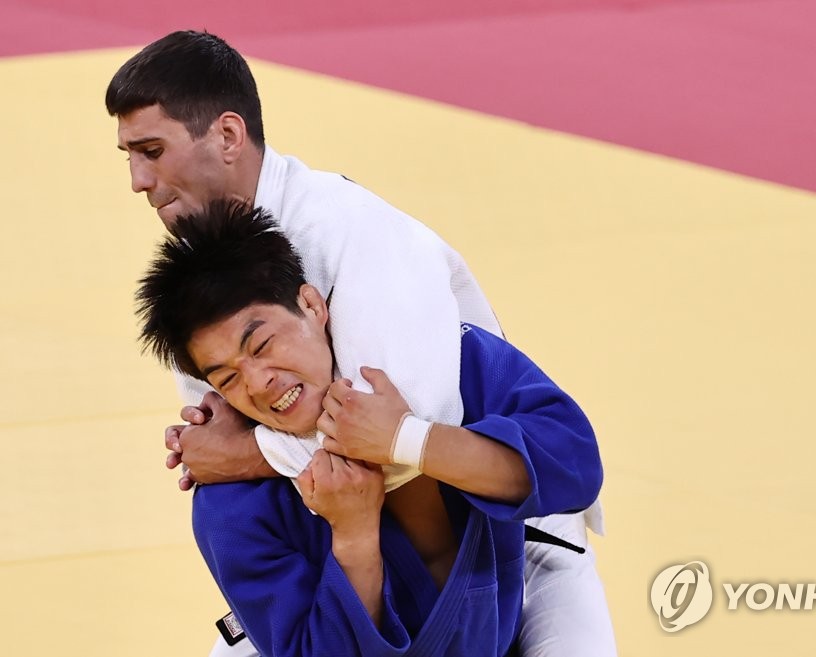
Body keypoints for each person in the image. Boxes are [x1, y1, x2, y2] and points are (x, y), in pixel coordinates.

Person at [107, 29, 615, 656]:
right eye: (227, 374)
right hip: (347, 555)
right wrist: (267, 476)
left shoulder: (351, 232)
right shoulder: (203, 291)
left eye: (152, 150)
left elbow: (393, 437)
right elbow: (234, 440)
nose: (136, 180)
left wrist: (249, 457)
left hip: (509, 521)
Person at [134, 201, 604, 656]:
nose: (258, 384)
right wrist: (354, 536)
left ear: (312, 305)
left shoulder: (442, 360)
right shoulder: (230, 505)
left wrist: (409, 439)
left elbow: (575, 466)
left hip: (521, 602)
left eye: (262, 344)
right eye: (227, 378)